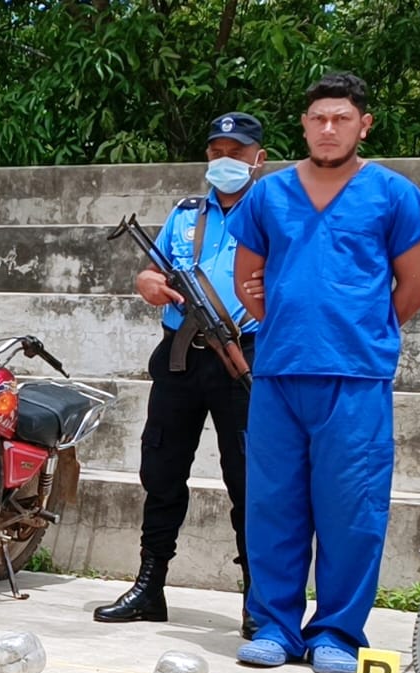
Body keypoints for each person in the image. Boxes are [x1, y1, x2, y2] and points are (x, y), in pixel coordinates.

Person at [228, 73, 420, 673]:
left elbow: (416, 287)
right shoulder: (269, 195)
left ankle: (336, 634)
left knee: (352, 510)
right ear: (304, 125)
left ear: (363, 124)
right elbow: (250, 282)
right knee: (273, 506)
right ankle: (274, 626)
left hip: (356, 377)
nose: (329, 128)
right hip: (278, 373)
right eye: (319, 118)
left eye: (341, 118)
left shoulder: (393, 194)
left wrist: (360, 328)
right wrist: (294, 319)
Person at [93, 112, 266, 639]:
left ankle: (259, 598)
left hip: (243, 354)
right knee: (162, 470)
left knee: (248, 479)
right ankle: (150, 585)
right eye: (215, 152)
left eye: (235, 153)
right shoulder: (188, 214)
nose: (223, 162)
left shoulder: (273, 215)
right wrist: (147, 282)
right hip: (180, 357)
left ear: (258, 158)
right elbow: (153, 269)